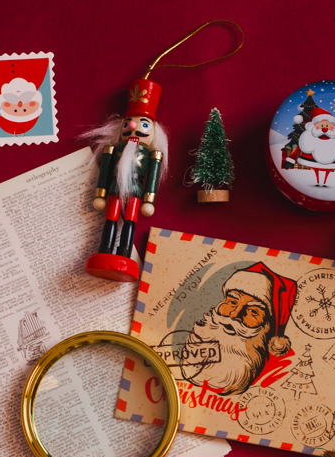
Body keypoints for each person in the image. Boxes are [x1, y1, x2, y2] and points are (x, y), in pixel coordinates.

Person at [84, 78, 168, 282]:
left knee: (130, 222)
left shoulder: (152, 155)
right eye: (129, 122)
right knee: (111, 219)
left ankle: (124, 251)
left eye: (143, 123)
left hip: (135, 193)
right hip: (114, 190)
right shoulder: (114, 150)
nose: (133, 126)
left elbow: (151, 178)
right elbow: (104, 173)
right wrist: (100, 193)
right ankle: (105, 248)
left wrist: (149, 200)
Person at [180, 262, 297, 393]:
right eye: (232, 302)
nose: (235, 315)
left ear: (267, 328)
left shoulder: (277, 374)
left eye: (253, 311)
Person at [288, 107, 335, 187]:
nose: (324, 128)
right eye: (321, 125)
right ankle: (319, 182)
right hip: (310, 159)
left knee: (327, 170)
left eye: (327, 125)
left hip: (334, 160)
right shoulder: (309, 138)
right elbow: (299, 148)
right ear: (312, 126)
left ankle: (323, 183)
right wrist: (291, 160)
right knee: (317, 169)